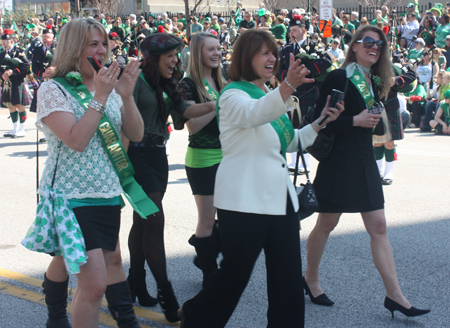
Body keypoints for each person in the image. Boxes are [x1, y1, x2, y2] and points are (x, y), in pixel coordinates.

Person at [178, 28, 343, 328]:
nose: (272, 58)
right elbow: (252, 114)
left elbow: (290, 141)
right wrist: (286, 88)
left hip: (280, 201)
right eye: (264, 53)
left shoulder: (268, 94)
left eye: (273, 52)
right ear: (246, 56)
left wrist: (321, 122)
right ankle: (197, 317)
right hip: (244, 202)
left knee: (288, 280)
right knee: (233, 278)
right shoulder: (232, 94)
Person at [304, 25, 430, 319]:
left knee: (379, 227)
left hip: (364, 159)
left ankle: (395, 296)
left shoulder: (375, 80)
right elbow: (321, 122)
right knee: (327, 224)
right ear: (355, 46)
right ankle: (310, 278)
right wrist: (355, 121)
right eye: (369, 42)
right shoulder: (338, 76)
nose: (375, 47)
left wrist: (369, 120)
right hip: (339, 161)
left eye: (380, 44)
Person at [36, 18, 144, 328]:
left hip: (107, 193)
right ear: (73, 48)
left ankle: (56, 316)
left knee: (101, 265)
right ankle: (58, 315)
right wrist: (100, 96)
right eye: (92, 44)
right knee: (95, 285)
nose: (101, 50)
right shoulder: (53, 88)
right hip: (71, 197)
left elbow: (135, 134)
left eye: (103, 43)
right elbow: (75, 140)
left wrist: (124, 95)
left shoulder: (108, 84)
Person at [126, 32, 216, 323]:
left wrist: (217, 104)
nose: (176, 61)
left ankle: (135, 282)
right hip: (136, 157)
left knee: (142, 221)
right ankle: (166, 291)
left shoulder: (165, 81)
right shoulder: (136, 79)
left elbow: (184, 112)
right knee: (154, 220)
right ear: (154, 58)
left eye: (177, 55)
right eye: (170, 56)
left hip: (157, 157)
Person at [178, 32, 224, 287]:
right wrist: (218, 103)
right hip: (203, 159)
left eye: (219, 48)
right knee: (207, 218)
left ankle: (204, 252)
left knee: (231, 217)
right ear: (198, 53)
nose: (217, 53)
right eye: (211, 49)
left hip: (230, 158)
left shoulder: (223, 80)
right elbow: (193, 126)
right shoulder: (187, 84)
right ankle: (209, 271)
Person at [1, 29, 31, 138]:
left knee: (19, 105)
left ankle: (22, 129)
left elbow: (26, 66)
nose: (5, 43)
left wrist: (12, 72)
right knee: (10, 106)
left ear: (12, 41)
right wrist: (2, 75)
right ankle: (15, 129)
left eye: (7, 41)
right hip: (7, 83)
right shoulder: (2, 53)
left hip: (17, 81)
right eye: (3, 41)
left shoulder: (19, 51)